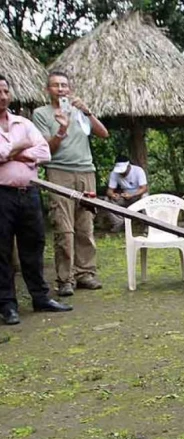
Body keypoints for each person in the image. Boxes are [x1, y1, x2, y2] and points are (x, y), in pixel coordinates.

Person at [0, 74, 72, 325]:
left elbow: (43, 153)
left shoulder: (23, 123)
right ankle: (7, 305)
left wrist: (15, 152)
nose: (3, 96)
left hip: (28, 192)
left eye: (5, 91)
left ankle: (40, 297)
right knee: (2, 249)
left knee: (34, 244)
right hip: (2, 194)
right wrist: (17, 150)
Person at [32, 70, 109, 297]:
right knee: (64, 229)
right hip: (59, 172)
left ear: (70, 88)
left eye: (64, 85)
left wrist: (87, 112)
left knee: (85, 226)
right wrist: (62, 129)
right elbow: (45, 150)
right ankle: (65, 279)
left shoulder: (79, 112)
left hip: (86, 171)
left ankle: (85, 273)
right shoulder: (41, 114)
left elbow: (103, 133)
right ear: (48, 90)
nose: (61, 89)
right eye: (56, 85)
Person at [105, 155, 148, 232]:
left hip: (137, 196)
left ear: (128, 166)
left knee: (145, 198)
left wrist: (132, 195)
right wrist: (113, 195)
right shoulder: (114, 174)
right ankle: (119, 223)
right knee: (106, 201)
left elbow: (144, 188)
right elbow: (109, 190)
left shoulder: (138, 171)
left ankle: (148, 225)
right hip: (124, 196)